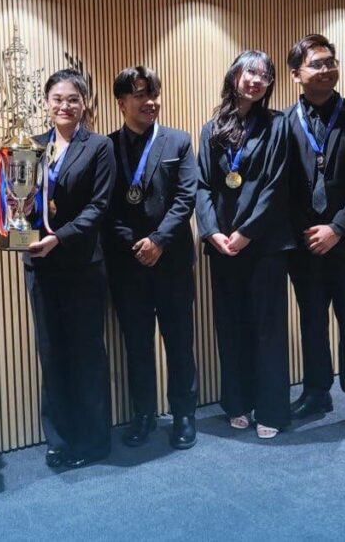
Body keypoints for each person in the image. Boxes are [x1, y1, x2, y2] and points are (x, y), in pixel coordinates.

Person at [283, 34, 345, 441]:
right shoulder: (283, 123)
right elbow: (279, 186)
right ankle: (316, 393)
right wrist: (309, 231)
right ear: (296, 74)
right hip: (304, 245)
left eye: (331, 62)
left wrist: (337, 228)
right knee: (312, 324)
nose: (326, 70)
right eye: (316, 64)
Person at [195, 50, 296, 440]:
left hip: (265, 243)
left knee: (267, 329)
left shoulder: (278, 125)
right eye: (250, 72)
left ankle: (271, 409)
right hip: (223, 245)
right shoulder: (211, 129)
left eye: (264, 76)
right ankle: (237, 403)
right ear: (234, 76)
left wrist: (248, 231)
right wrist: (211, 231)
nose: (256, 80)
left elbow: (277, 185)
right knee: (231, 325)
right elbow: (202, 186)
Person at [103, 66, 199, 450]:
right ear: (122, 102)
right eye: (141, 95)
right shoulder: (106, 147)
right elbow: (105, 206)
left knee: (179, 343)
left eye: (154, 94)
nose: (150, 102)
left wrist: (157, 240)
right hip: (128, 266)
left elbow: (186, 198)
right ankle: (143, 415)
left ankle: (184, 415)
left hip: (172, 261)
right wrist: (135, 244)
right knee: (137, 346)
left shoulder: (178, 141)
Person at [25, 68, 117, 468]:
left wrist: (59, 237)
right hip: (41, 267)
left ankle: (93, 441)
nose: (65, 106)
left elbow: (99, 207)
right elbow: (20, 203)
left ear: (84, 104)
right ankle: (58, 439)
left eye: (73, 99)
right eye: (57, 99)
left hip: (82, 266)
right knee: (52, 354)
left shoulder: (99, 147)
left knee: (86, 355)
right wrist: (16, 222)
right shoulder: (31, 147)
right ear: (47, 103)